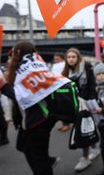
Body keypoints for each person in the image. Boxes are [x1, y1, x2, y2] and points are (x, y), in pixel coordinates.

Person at [0, 41, 62, 175]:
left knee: (38, 160)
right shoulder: (28, 68)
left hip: (38, 121)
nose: (10, 58)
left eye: (12, 54)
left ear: (18, 53)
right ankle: (47, 161)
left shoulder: (32, 70)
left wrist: (3, 86)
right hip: (31, 120)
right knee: (23, 146)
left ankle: (45, 165)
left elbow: (21, 96)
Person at [61, 47, 100, 172]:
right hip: (74, 105)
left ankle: (85, 157)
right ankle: (94, 148)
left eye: (73, 57)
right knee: (88, 127)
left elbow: (92, 86)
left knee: (84, 129)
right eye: (69, 57)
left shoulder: (86, 67)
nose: (71, 59)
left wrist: (90, 102)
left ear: (78, 57)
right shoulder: (66, 71)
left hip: (87, 103)